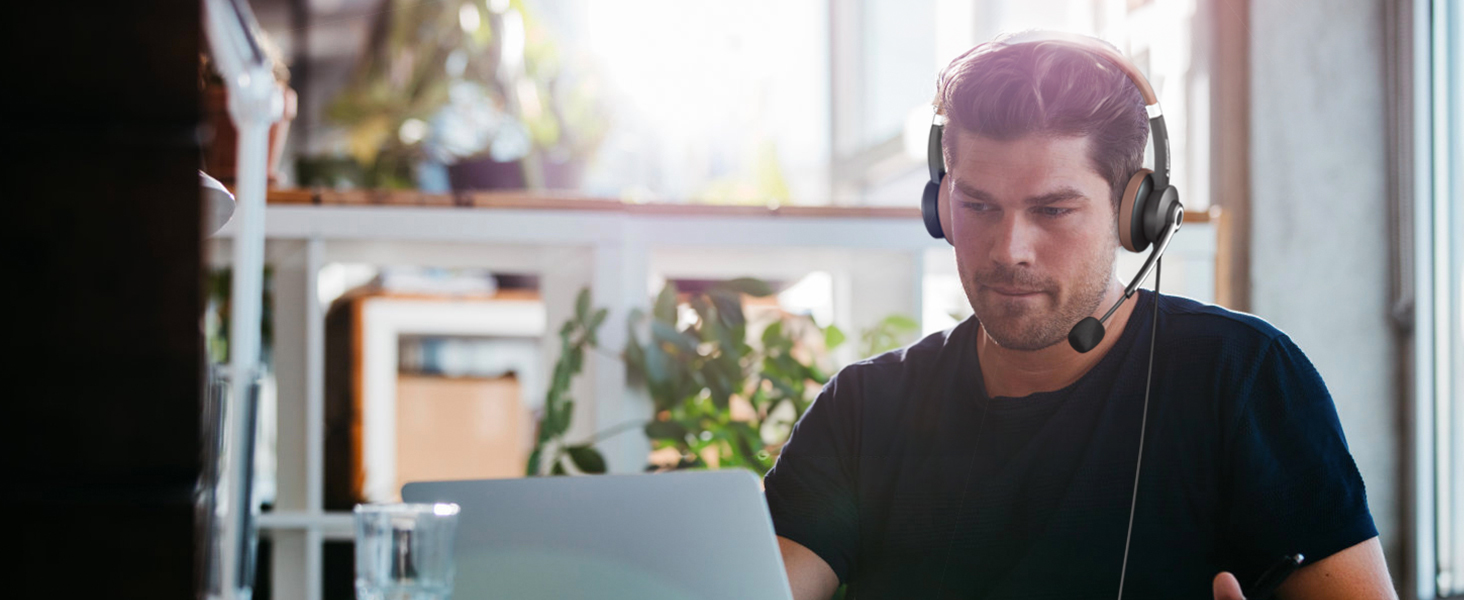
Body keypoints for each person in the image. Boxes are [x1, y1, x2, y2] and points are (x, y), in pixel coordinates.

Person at [764, 32, 1397, 600]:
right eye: (978, 206)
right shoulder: (867, 407)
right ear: (940, 205)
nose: (1009, 249)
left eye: (1053, 211)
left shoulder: (1241, 378)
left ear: (1135, 213)